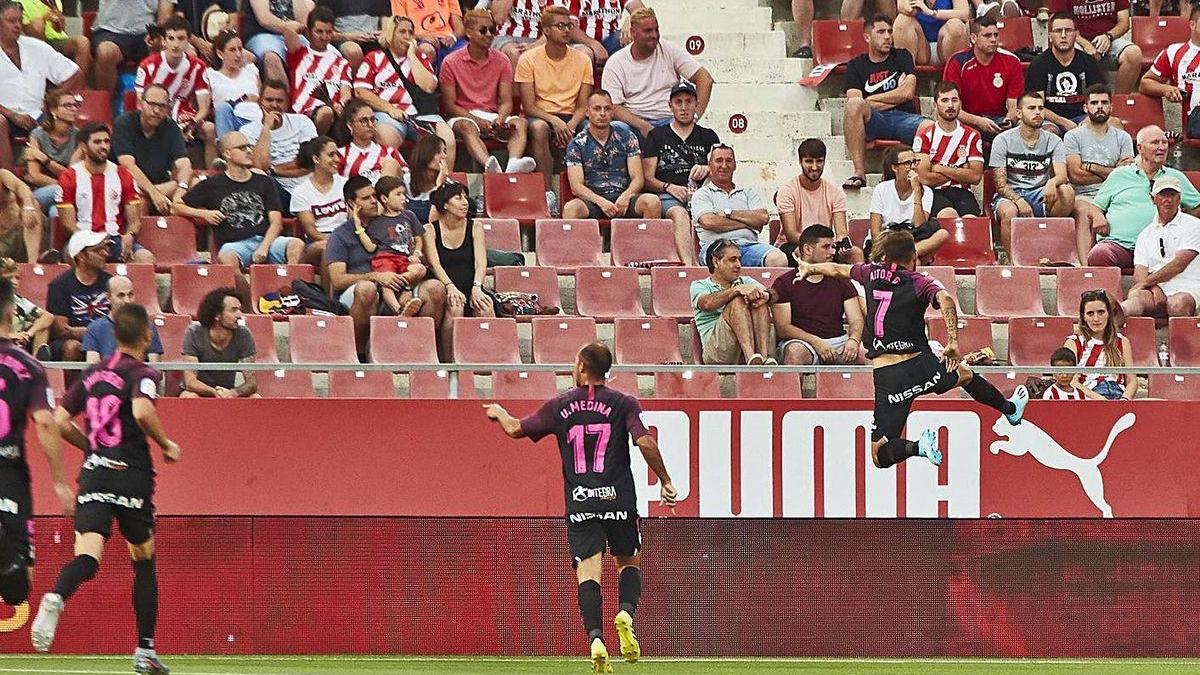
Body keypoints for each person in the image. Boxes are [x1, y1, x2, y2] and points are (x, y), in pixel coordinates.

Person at [483, 341, 677, 674]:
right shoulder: (624, 403)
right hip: (618, 499)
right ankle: (626, 614)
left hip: (580, 502)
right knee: (629, 561)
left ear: (581, 365)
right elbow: (644, 440)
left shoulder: (560, 405)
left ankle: (596, 640)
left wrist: (499, 412)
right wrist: (665, 480)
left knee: (589, 572)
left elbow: (516, 429)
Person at [795, 229, 1030, 468]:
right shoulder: (919, 282)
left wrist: (809, 268)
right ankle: (1009, 409)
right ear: (914, 256)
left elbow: (837, 270)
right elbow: (946, 300)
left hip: (888, 377)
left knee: (880, 455)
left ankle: (918, 447)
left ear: (885, 256)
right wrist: (953, 343)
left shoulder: (870, 272)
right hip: (921, 367)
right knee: (966, 375)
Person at [31, 302, 181, 675]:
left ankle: (55, 597)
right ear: (146, 335)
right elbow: (144, 412)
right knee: (143, 558)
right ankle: (145, 651)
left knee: (87, 557)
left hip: (94, 475)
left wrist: (92, 449)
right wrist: (166, 445)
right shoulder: (144, 373)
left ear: (114, 336)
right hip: (130, 473)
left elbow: (61, 420)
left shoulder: (93, 372)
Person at [0, 275, 72, 613]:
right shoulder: (29, 366)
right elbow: (44, 420)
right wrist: (59, 481)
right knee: (18, 590)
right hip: (8, 471)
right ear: (12, 311)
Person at [326, 176, 447, 359]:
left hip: (399, 280)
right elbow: (338, 280)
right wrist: (376, 277)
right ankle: (358, 355)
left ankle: (419, 351)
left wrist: (411, 270)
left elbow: (417, 245)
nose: (374, 201)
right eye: (366, 198)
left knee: (436, 289)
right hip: (360, 293)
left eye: (374, 195)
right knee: (367, 289)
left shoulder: (398, 220)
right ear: (352, 203)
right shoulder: (340, 235)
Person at [175, 131, 305, 268]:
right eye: (242, 148)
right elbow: (176, 207)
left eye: (249, 147)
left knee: (296, 244)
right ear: (227, 154)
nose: (249, 151)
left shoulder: (265, 182)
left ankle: (293, 287)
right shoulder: (211, 185)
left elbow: (276, 223)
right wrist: (204, 214)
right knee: (226, 257)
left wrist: (264, 248)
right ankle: (243, 290)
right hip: (234, 246)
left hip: (267, 241)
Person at [441, 9, 538, 175]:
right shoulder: (451, 61)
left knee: (520, 124)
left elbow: (507, 101)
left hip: (491, 114)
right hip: (464, 115)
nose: (489, 34)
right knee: (467, 126)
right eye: (483, 30)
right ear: (469, 33)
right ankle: (489, 166)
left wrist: (500, 119)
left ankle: (512, 164)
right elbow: (450, 105)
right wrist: (478, 120)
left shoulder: (502, 59)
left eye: (492, 30)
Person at [1089, 126, 1200, 267]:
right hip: (1120, 245)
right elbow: (1095, 206)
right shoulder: (1119, 174)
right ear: (1140, 148)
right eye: (1155, 143)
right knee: (1099, 253)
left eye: (1164, 143)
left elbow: (1197, 206)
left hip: (1162, 248)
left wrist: (1181, 221)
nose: (1162, 147)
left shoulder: (1175, 176)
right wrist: (1098, 216)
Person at [355, 15, 456, 164]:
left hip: (420, 114)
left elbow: (429, 86)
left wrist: (412, 56)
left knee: (447, 137)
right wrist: (389, 109)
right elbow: (360, 91)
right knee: (387, 137)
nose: (407, 36)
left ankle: (445, 181)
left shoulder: (420, 57)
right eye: (402, 32)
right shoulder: (373, 57)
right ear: (390, 34)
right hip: (387, 114)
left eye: (410, 32)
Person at [600, 7, 714, 140]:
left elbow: (705, 79)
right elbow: (613, 106)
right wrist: (644, 126)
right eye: (648, 31)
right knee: (616, 128)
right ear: (633, 33)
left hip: (670, 121)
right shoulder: (616, 62)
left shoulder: (669, 50)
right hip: (633, 125)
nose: (654, 35)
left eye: (656, 29)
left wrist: (694, 117)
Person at [641, 81, 720, 266]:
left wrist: (708, 169)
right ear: (670, 105)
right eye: (678, 102)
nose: (684, 107)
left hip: (702, 195)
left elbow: (723, 169)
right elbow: (647, 178)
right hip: (667, 196)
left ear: (696, 104)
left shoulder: (708, 136)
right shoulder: (657, 135)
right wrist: (669, 187)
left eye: (688, 101)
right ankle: (690, 267)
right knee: (680, 214)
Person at [516, 5, 593, 191]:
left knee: (593, 127)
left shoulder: (583, 59)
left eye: (569, 26)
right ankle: (548, 191)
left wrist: (571, 125)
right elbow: (528, 106)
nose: (567, 30)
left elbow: (584, 105)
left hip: (571, 116)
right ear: (546, 30)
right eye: (561, 26)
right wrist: (555, 121)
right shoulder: (528, 59)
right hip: (542, 114)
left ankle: (591, 188)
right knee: (539, 127)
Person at [843, 14, 924, 190]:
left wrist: (870, 100)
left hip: (905, 118)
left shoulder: (902, 56)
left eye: (890, 31)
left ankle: (928, 177)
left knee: (930, 127)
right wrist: (895, 95)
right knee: (854, 105)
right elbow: (855, 102)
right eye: (881, 32)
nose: (887, 36)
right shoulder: (855, 65)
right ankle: (859, 172)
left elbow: (908, 93)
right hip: (876, 120)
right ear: (867, 37)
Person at [989, 91, 1075, 255]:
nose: (1037, 112)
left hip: (1039, 192)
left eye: (1041, 108)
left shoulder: (1054, 140)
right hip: (1009, 194)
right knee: (1009, 212)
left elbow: (1062, 176)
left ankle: (1050, 251)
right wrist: (1018, 200)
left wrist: (1051, 182)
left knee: (1067, 192)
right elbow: (1000, 185)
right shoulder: (1002, 140)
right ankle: (1014, 264)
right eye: (1031, 108)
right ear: (1019, 113)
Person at [0, 0, 81, 171]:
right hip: (5, 114)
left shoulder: (36, 47)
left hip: (38, 113)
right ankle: (8, 184)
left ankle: (68, 179)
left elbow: (74, 73)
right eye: (11, 21)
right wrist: (11, 115)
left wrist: (51, 100)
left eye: (19, 20)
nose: (18, 25)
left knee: (65, 115)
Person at [56, 122, 151, 265]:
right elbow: (68, 224)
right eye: (97, 142)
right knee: (74, 258)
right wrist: (90, 244)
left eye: (106, 141)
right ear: (83, 146)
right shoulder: (69, 177)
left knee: (146, 259)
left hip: (114, 240)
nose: (104, 146)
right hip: (82, 239)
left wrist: (130, 235)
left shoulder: (123, 175)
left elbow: (134, 221)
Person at [772, 225, 865, 365]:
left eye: (833, 247)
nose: (833, 252)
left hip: (838, 342)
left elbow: (856, 319)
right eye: (826, 247)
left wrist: (854, 340)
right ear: (808, 249)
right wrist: (816, 342)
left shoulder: (841, 280)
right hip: (803, 342)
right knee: (795, 352)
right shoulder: (784, 282)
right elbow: (783, 328)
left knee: (866, 352)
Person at [562, 90, 661, 221]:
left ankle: (647, 242)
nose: (602, 113)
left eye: (607, 109)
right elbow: (576, 187)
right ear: (587, 112)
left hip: (623, 199)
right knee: (571, 209)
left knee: (652, 202)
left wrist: (625, 197)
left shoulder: (627, 137)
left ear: (612, 112)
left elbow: (638, 178)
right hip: (593, 201)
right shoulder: (577, 144)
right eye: (597, 109)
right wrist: (602, 202)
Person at [1064, 84, 1134, 263]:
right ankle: (1086, 268)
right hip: (1084, 194)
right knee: (1084, 212)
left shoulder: (1122, 137)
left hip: (1115, 194)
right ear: (1085, 107)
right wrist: (1113, 171)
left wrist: (1092, 167)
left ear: (1111, 106)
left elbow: (1126, 176)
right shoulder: (1073, 136)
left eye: (1104, 102)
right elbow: (1075, 176)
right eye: (1094, 103)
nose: (1100, 106)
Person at [135, 15, 216, 166]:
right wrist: (169, 126)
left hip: (186, 117)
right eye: (171, 38)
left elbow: (204, 108)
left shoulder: (198, 67)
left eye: (180, 38)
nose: (176, 44)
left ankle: (213, 176)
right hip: (155, 115)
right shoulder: (147, 66)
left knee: (210, 129)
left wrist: (191, 123)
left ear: (188, 40)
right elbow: (140, 105)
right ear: (164, 41)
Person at [424, 181, 492, 358]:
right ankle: (451, 362)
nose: (465, 202)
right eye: (458, 198)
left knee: (485, 305)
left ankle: (488, 361)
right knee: (455, 305)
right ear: (445, 204)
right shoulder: (430, 229)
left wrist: (477, 287)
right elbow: (434, 264)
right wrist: (450, 287)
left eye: (465, 197)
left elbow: (481, 263)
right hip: (446, 286)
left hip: (471, 285)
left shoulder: (475, 226)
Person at [693, 144, 787, 268]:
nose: (724, 165)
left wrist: (729, 213)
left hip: (749, 247)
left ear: (735, 165)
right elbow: (709, 222)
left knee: (779, 259)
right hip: (716, 247)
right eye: (719, 161)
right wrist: (749, 223)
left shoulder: (748, 192)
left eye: (729, 161)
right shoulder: (702, 194)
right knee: (726, 261)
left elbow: (763, 218)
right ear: (709, 166)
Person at [1121, 176, 1200, 319]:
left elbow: (1178, 265)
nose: (1168, 199)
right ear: (1153, 199)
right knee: (1136, 295)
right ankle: (1116, 313)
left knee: (1177, 303)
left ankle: (1183, 341)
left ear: (1179, 198)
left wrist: (1147, 283)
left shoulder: (1194, 225)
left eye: (1172, 194)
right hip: (1158, 288)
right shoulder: (1145, 234)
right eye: (1163, 194)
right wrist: (1153, 287)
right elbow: (1140, 273)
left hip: (1191, 287)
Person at [113, 83, 195, 220]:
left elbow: (184, 164)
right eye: (152, 104)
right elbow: (128, 166)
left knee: (195, 184)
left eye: (162, 106)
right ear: (141, 103)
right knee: (140, 200)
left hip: (162, 185)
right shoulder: (124, 122)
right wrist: (154, 194)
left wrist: (181, 188)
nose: (156, 110)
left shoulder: (171, 127)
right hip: (129, 186)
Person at [774, 139, 863, 263]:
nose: (815, 167)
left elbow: (841, 232)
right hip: (794, 245)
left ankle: (857, 283)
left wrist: (842, 244)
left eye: (819, 161)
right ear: (800, 161)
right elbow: (791, 234)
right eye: (809, 161)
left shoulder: (835, 192)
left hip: (826, 244)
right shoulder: (787, 190)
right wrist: (819, 245)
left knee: (855, 253)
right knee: (808, 251)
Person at [691, 239, 777, 365]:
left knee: (759, 299)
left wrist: (766, 295)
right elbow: (707, 303)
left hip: (747, 346)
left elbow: (773, 294)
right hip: (717, 352)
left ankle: (763, 358)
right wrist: (736, 290)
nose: (739, 265)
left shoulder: (745, 280)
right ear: (716, 262)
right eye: (732, 259)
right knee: (737, 300)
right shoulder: (699, 285)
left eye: (739, 259)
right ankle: (750, 357)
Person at [240, 79, 318, 211]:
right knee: (256, 174)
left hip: (310, 190)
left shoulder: (302, 122)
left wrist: (273, 170)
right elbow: (259, 167)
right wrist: (266, 128)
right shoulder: (247, 131)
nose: (274, 105)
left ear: (287, 103)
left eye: (279, 101)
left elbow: (309, 162)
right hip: (279, 194)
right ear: (260, 102)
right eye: (269, 100)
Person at [355, 174, 427, 316]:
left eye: (404, 194)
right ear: (384, 199)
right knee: (387, 284)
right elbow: (370, 247)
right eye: (398, 194)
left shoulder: (409, 215)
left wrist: (417, 253)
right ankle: (398, 310)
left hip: (405, 259)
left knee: (420, 269)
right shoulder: (375, 222)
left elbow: (419, 239)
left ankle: (404, 285)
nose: (403, 198)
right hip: (385, 258)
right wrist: (358, 226)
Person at [942, 16, 1023, 141]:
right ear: (973, 38)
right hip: (966, 120)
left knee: (1024, 127)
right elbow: (951, 106)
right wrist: (978, 121)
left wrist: (1009, 120)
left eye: (996, 35)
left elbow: (1013, 105)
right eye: (987, 35)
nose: (993, 39)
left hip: (998, 119)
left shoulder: (1011, 62)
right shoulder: (957, 62)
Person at [913, 81, 984, 219]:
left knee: (972, 221)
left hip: (962, 192)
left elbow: (975, 177)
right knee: (948, 217)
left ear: (960, 104)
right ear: (935, 104)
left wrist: (939, 168)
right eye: (944, 100)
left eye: (954, 100)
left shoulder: (972, 135)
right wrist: (960, 170)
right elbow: (924, 178)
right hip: (933, 192)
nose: (950, 105)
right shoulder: (924, 134)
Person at [1027, 13, 1105, 137]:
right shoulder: (1038, 64)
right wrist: (1063, 122)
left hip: (1083, 117)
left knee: (1113, 124)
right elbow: (1036, 104)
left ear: (1076, 35)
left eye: (1068, 30)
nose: (1063, 35)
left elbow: (1100, 99)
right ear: (1050, 36)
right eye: (1058, 31)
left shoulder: (1089, 62)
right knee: (1048, 133)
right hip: (1050, 120)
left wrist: (1087, 121)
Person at [870, 145, 948, 263]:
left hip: (912, 237)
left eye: (914, 162)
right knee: (916, 262)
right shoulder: (881, 189)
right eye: (907, 163)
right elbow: (875, 231)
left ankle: (903, 256)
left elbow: (919, 224)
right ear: (895, 168)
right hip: (888, 239)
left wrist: (917, 190)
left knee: (943, 234)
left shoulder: (925, 191)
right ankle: (899, 256)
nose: (913, 167)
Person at [44, 231, 112, 363]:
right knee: (72, 347)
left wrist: (87, 332)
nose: (105, 253)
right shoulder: (59, 286)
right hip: (75, 343)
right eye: (98, 250)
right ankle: (75, 384)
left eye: (105, 248)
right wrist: (95, 333)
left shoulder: (111, 282)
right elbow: (61, 331)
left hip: (107, 338)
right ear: (81, 256)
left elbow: (120, 321)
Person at [284, 6, 353, 135]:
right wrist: (303, 28)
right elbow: (288, 30)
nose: (324, 36)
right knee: (325, 112)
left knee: (329, 113)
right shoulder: (298, 53)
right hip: (302, 114)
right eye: (319, 31)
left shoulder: (341, 62)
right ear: (309, 32)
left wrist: (342, 104)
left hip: (333, 116)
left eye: (328, 32)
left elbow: (346, 93)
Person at [1049, 0, 1143, 94]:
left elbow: (1124, 22)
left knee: (1133, 53)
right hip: (1077, 40)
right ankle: (1077, 101)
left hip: (1109, 39)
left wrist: (1108, 36)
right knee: (1068, 53)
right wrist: (1086, 45)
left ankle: (1119, 102)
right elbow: (1059, 23)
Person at [180, 287, 259, 398]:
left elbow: (251, 383)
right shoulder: (194, 333)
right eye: (233, 310)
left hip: (228, 392)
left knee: (255, 398)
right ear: (217, 315)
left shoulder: (244, 334)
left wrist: (233, 393)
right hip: (201, 391)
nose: (240, 315)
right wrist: (214, 392)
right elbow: (190, 382)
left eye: (240, 309)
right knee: (188, 396)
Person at [1065, 288, 1137, 400]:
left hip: (1119, 394)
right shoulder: (1074, 342)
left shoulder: (1122, 341)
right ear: (1083, 317)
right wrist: (1100, 400)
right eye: (1090, 313)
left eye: (1101, 312)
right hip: (1090, 396)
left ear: (1108, 313)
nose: (1096, 319)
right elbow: (1072, 382)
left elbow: (1132, 380)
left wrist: (1124, 400)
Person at [90, 0, 173, 95]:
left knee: (173, 48)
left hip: (145, 31)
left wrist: (158, 37)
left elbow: (165, 17)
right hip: (110, 30)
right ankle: (105, 103)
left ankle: (158, 101)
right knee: (106, 52)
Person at [1141, 6, 1200, 138]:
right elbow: (1145, 83)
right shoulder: (1173, 52)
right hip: (1195, 123)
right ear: (1192, 25)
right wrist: (1165, 89)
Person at [292, 136, 348, 267]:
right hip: (317, 242)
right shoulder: (301, 191)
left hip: (345, 237)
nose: (337, 159)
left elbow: (352, 219)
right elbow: (310, 229)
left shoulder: (345, 184)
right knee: (327, 248)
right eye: (331, 155)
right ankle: (327, 288)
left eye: (337, 154)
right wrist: (335, 241)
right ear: (316, 159)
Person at [82, 276, 164, 363]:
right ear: (108, 297)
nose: (127, 300)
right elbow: (92, 368)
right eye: (121, 295)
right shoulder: (95, 328)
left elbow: (155, 368)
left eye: (130, 294)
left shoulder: (147, 326)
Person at [26, 88, 82, 215]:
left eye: (75, 105)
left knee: (56, 212)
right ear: (53, 110)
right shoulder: (37, 135)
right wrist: (63, 186)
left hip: (69, 195)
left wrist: (45, 160)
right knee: (59, 192)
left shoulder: (79, 136)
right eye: (68, 105)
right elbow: (35, 176)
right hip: (43, 192)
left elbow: (72, 175)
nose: (74, 109)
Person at [17, 0, 91, 88]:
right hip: (33, 41)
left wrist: (59, 20)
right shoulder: (20, 2)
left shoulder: (55, 1)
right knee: (38, 25)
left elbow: (60, 29)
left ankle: (78, 90)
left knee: (83, 42)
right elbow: (24, 28)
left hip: (57, 40)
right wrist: (44, 18)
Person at [204, 29, 262, 138]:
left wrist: (255, 99)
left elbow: (263, 99)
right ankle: (228, 148)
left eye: (240, 49)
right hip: (228, 119)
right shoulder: (210, 75)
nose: (238, 54)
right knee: (223, 108)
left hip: (253, 119)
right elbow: (207, 109)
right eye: (232, 50)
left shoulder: (251, 70)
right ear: (220, 54)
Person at [338, 98, 406, 185]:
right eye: (364, 121)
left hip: (388, 195)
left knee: (391, 164)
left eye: (372, 119)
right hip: (359, 196)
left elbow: (407, 175)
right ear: (350, 125)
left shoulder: (389, 151)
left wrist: (391, 170)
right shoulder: (341, 154)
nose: (370, 125)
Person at [241, 0, 310, 84]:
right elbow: (264, 18)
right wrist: (287, 27)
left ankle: (308, 95)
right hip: (261, 34)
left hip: (293, 32)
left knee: (312, 53)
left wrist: (293, 30)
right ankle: (281, 96)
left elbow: (304, 21)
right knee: (272, 58)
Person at [0, 258, 53, 357]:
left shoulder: (18, 300)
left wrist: (28, 334)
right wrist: (10, 336)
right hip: (4, 343)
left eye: (17, 277)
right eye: (9, 278)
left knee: (42, 327)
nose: (14, 282)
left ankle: (37, 359)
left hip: (17, 344)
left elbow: (48, 317)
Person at [892, 0, 970, 66]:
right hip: (921, 46)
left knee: (956, 25)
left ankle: (954, 78)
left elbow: (964, 14)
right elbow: (905, 7)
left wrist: (932, 13)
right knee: (902, 21)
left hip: (947, 43)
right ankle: (907, 77)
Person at [391, 0, 467, 67]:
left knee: (469, 51)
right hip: (419, 40)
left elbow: (460, 28)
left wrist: (453, 37)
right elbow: (400, 31)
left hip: (448, 39)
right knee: (426, 50)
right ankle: (429, 81)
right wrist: (422, 37)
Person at [491, 0, 553, 69]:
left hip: (542, 40)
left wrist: (532, 47)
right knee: (515, 53)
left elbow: (554, 30)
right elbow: (498, 18)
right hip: (508, 37)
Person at [405, 134, 452, 225]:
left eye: (445, 152)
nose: (444, 156)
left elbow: (435, 225)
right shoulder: (405, 182)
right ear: (426, 153)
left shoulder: (449, 186)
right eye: (439, 152)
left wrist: (439, 187)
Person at [575, 0, 646, 59]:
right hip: (583, 43)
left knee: (637, 33)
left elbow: (643, 12)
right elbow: (570, 27)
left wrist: (631, 19)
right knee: (584, 53)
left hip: (611, 43)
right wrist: (593, 44)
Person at [0, 167, 43, 263]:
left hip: (22, 229)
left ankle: (33, 263)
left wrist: (28, 206)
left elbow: (21, 187)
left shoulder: (2, 175)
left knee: (34, 204)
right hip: (2, 243)